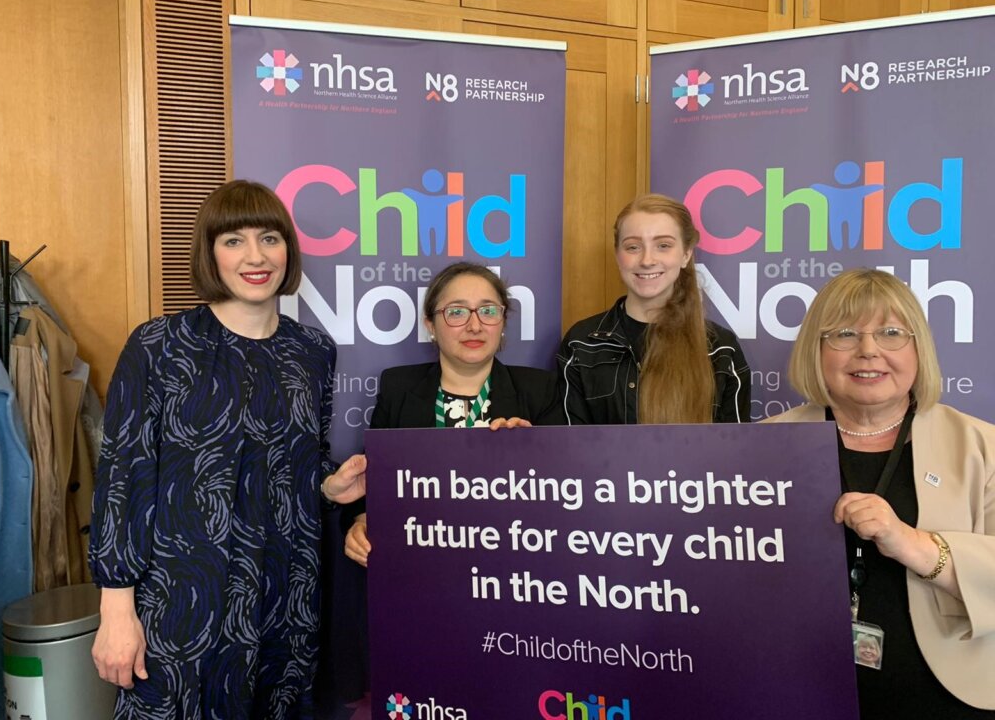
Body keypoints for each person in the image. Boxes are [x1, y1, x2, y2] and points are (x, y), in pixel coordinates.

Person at [88, 180, 367, 717]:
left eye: (269, 238)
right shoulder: (159, 346)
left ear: (289, 248)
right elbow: (123, 478)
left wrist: (329, 485)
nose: (256, 256)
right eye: (233, 241)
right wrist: (117, 609)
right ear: (210, 253)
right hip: (183, 599)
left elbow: (291, 463)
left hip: (286, 595)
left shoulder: (313, 351)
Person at [765, 268, 995, 716]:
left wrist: (918, 546)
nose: (868, 350)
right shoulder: (763, 446)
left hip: (948, 694)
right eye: (844, 333)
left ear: (917, 349)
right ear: (817, 348)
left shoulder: (982, 446)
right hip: (794, 688)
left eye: (891, 332)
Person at [343, 261, 562, 567]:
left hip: (512, 564)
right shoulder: (398, 387)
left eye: (488, 310)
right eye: (457, 312)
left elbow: (564, 498)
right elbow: (374, 482)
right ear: (430, 325)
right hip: (421, 560)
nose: (475, 326)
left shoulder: (540, 389)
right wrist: (362, 523)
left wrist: (535, 453)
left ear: (502, 321)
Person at [557, 193, 750, 425]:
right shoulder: (582, 344)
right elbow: (570, 451)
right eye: (633, 247)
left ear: (686, 254)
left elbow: (733, 452)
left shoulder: (720, 349)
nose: (647, 260)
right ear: (618, 255)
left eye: (663, 245)